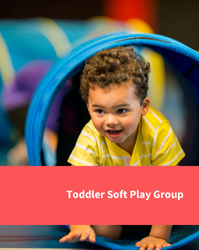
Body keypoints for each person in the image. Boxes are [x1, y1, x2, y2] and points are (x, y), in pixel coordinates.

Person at [59, 47, 185, 250]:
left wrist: (158, 236)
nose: (110, 121)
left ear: (143, 106)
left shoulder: (158, 131)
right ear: (88, 106)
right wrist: (78, 222)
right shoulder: (92, 135)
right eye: (99, 111)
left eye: (121, 110)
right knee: (105, 232)